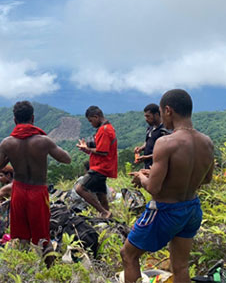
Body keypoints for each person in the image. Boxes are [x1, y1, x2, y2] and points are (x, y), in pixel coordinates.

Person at [121, 89, 214, 283]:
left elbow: (153, 188)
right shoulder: (207, 142)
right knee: (180, 266)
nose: (162, 118)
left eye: (162, 113)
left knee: (128, 254)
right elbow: (206, 179)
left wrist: (141, 176)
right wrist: (157, 175)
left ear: (168, 110)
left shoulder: (166, 143)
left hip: (165, 210)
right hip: (191, 209)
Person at [0, 101, 71, 260]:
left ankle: (23, 268)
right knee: (42, 236)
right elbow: (67, 159)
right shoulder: (43, 141)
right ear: (33, 118)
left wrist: (9, 154)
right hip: (38, 191)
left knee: (22, 236)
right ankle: (48, 270)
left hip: (18, 190)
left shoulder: (8, 143)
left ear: (15, 120)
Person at [76, 106, 117, 218]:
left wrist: (87, 148)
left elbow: (103, 152)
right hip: (101, 166)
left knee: (80, 189)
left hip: (100, 168)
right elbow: (99, 151)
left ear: (96, 117)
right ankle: (109, 220)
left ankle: (103, 212)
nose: (91, 123)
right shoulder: (106, 128)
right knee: (101, 195)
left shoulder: (104, 130)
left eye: (91, 120)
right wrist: (86, 149)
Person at [134, 103, 169, 169]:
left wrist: (147, 157)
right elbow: (148, 141)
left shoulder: (164, 131)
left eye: (148, 116)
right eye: (145, 116)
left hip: (158, 167)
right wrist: (141, 148)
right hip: (148, 166)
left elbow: (165, 153)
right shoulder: (150, 128)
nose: (146, 119)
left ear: (156, 115)